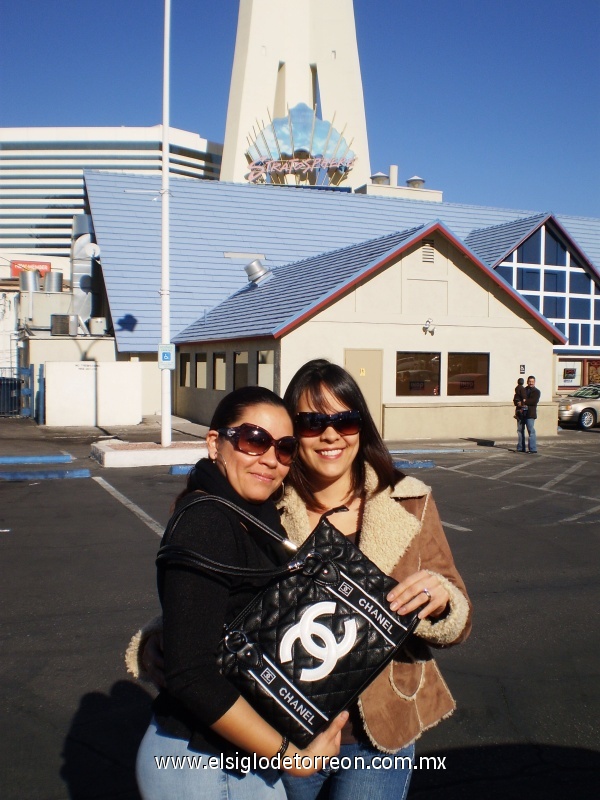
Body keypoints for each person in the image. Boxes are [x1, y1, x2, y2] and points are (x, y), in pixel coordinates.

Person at [130, 361, 472, 800]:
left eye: (345, 420)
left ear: (361, 428)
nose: (331, 435)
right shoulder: (265, 504)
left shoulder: (409, 502)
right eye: (313, 423)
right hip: (284, 730)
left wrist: (441, 601)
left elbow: (458, 615)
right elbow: (216, 598)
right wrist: (157, 640)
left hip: (380, 734)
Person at [133, 386, 348, 800]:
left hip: (236, 759)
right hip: (204, 763)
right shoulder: (210, 520)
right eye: (254, 440)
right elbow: (191, 674)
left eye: (285, 448)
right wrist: (290, 757)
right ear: (216, 443)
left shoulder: (255, 517)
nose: (270, 458)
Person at [516, 375, 541, 453]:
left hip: (530, 414)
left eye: (532, 382)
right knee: (520, 431)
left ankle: (532, 449)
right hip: (521, 413)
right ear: (527, 382)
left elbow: (533, 401)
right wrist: (517, 402)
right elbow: (517, 397)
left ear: (534, 382)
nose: (531, 383)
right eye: (529, 381)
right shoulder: (523, 389)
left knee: (531, 431)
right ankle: (521, 448)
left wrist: (523, 402)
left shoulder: (536, 391)